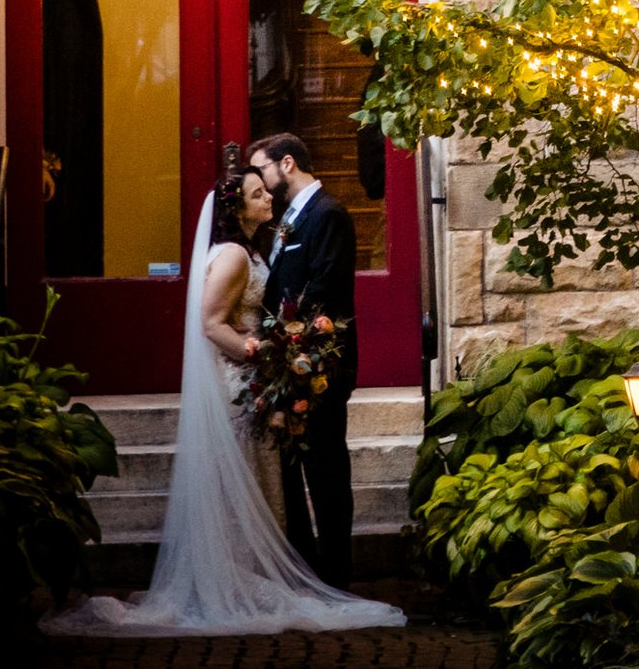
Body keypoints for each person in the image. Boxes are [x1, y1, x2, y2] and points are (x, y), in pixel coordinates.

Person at [41, 147, 402, 636]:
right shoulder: (234, 254)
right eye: (256, 194)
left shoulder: (270, 239)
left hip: (271, 378)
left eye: (264, 184)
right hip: (245, 377)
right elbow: (212, 323)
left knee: (273, 478)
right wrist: (263, 355)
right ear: (237, 210)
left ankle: (281, 574)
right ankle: (245, 580)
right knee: (253, 480)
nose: (266, 196)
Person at [252, 133, 361, 590]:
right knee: (290, 472)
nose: (259, 180)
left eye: (263, 170)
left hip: (319, 364)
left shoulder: (328, 215)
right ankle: (304, 568)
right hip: (287, 365)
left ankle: (336, 573)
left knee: (326, 469)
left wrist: (288, 347)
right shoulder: (287, 221)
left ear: (288, 164)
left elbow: (323, 291)